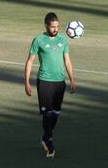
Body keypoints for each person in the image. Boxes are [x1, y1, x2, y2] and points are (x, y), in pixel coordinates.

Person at [24, 12, 76, 158]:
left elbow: (67, 61)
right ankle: (50, 141)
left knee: (56, 113)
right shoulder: (38, 40)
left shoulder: (63, 40)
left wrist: (72, 79)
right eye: (52, 27)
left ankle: (45, 136)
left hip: (60, 82)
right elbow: (29, 61)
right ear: (46, 25)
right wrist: (26, 82)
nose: (55, 29)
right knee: (47, 112)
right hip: (45, 81)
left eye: (57, 27)